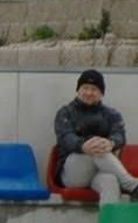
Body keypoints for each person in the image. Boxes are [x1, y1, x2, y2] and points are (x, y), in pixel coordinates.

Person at [54, 69, 135, 203]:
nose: (89, 93)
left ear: (101, 93)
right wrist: (83, 146)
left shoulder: (111, 114)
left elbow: (120, 135)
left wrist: (111, 143)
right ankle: (131, 184)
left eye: (94, 89)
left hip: (99, 172)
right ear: (78, 90)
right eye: (85, 88)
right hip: (73, 172)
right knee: (96, 148)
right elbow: (65, 138)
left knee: (110, 181)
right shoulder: (65, 113)